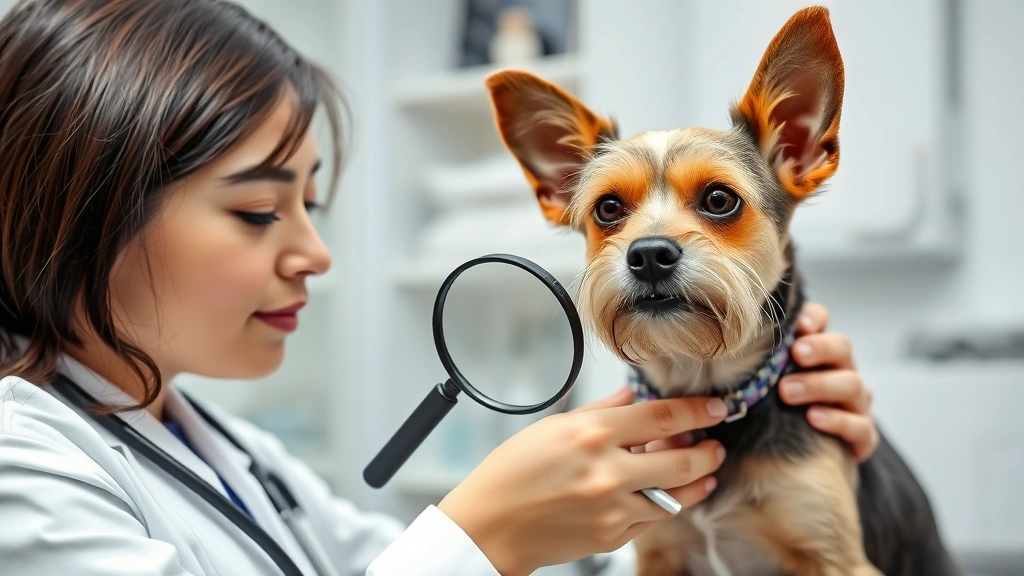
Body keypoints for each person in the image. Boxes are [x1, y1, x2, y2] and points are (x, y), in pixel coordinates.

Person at [0, 1, 879, 575]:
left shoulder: (217, 442)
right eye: (261, 211)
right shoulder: (20, 463)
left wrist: (648, 505)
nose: (319, 254)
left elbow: (368, 558)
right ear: (84, 209)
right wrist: (478, 532)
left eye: (313, 204)